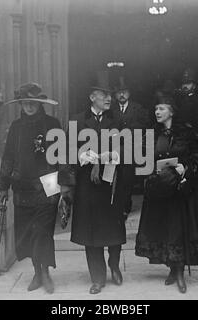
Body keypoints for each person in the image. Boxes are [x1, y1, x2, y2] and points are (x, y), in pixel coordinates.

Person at [58, 82, 126, 295]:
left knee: (114, 227)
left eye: (110, 95)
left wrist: (113, 155)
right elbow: (66, 151)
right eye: (104, 94)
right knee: (91, 230)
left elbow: (126, 147)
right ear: (92, 97)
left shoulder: (117, 120)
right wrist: (80, 156)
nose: (109, 98)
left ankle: (114, 265)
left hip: (111, 181)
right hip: (87, 183)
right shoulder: (77, 120)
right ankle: (97, 277)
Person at [0, 83, 61, 293]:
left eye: (33, 103)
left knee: (43, 232)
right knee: (29, 232)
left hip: (48, 184)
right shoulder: (16, 127)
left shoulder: (53, 124)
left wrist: (66, 185)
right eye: (25, 103)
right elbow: (8, 157)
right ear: (21, 104)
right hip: (22, 188)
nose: (29, 107)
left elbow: (62, 156)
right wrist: (3, 185)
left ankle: (46, 273)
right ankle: (36, 272)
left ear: (39, 104)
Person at [135, 96, 198, 294]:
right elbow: (141, 158)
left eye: (162, 108)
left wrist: (187, 167)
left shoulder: (187, 132)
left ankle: (180, 271)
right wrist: (149, 170)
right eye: (156, 108)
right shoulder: (151, 133)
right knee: (164, 228)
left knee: (179, 229)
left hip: (179, 190)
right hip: (159, 188)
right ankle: (172, 269)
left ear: (172, 111)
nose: (157, 112)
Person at [176, 67, 198, 249]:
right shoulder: (180, 100)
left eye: (188, 83)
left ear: (194, 84)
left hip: (193, 143)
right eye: (184, 83)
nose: (185, 86)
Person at [111, 76, 149, 220]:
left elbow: (143, 127)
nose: (122, 94)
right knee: (114, 177)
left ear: (129, 94)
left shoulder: (138, 108)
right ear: (115, 94)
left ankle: (125, 207)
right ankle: (114, 206)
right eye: (119, 92)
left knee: (127, 179)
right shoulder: (111, 109)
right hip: (114, 149)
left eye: (124, 92)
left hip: (131, 149)